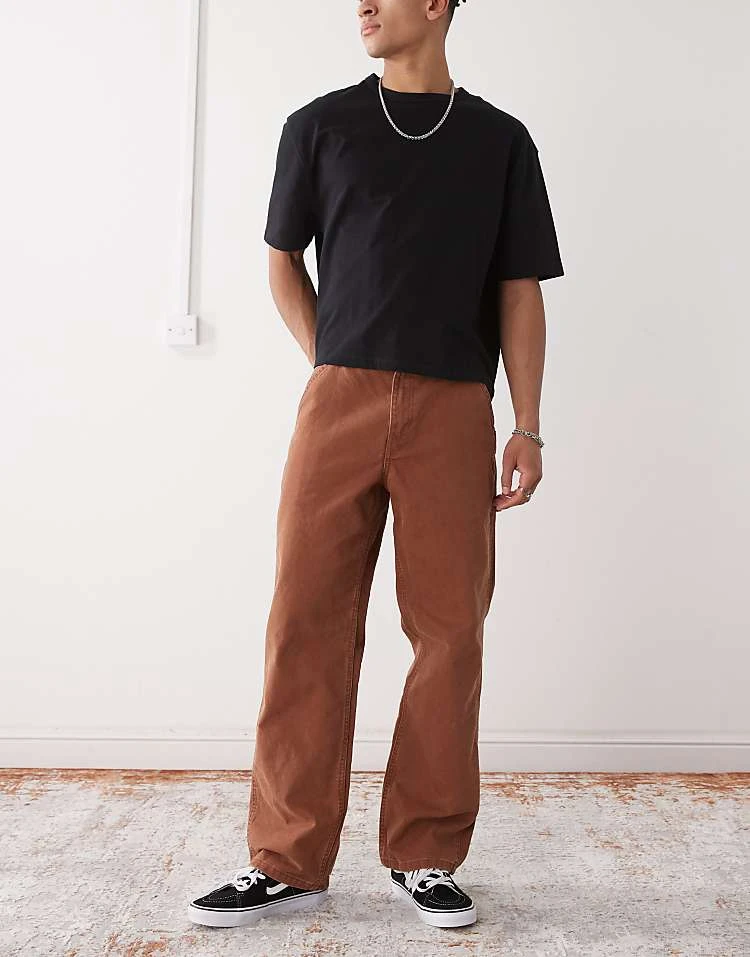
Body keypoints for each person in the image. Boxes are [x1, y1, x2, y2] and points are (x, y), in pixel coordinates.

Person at [188, 0, 563, 931]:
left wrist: (527, 425)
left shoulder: (501, 142)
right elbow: (282, 261)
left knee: (450, 631)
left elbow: (519, 290)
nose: (362, 4)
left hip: (454, 408)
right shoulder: (318, 127)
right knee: (305, 621)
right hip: (338, 402)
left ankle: (425, 852)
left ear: (436, 5)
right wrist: (334, 361)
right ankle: (286, 859)